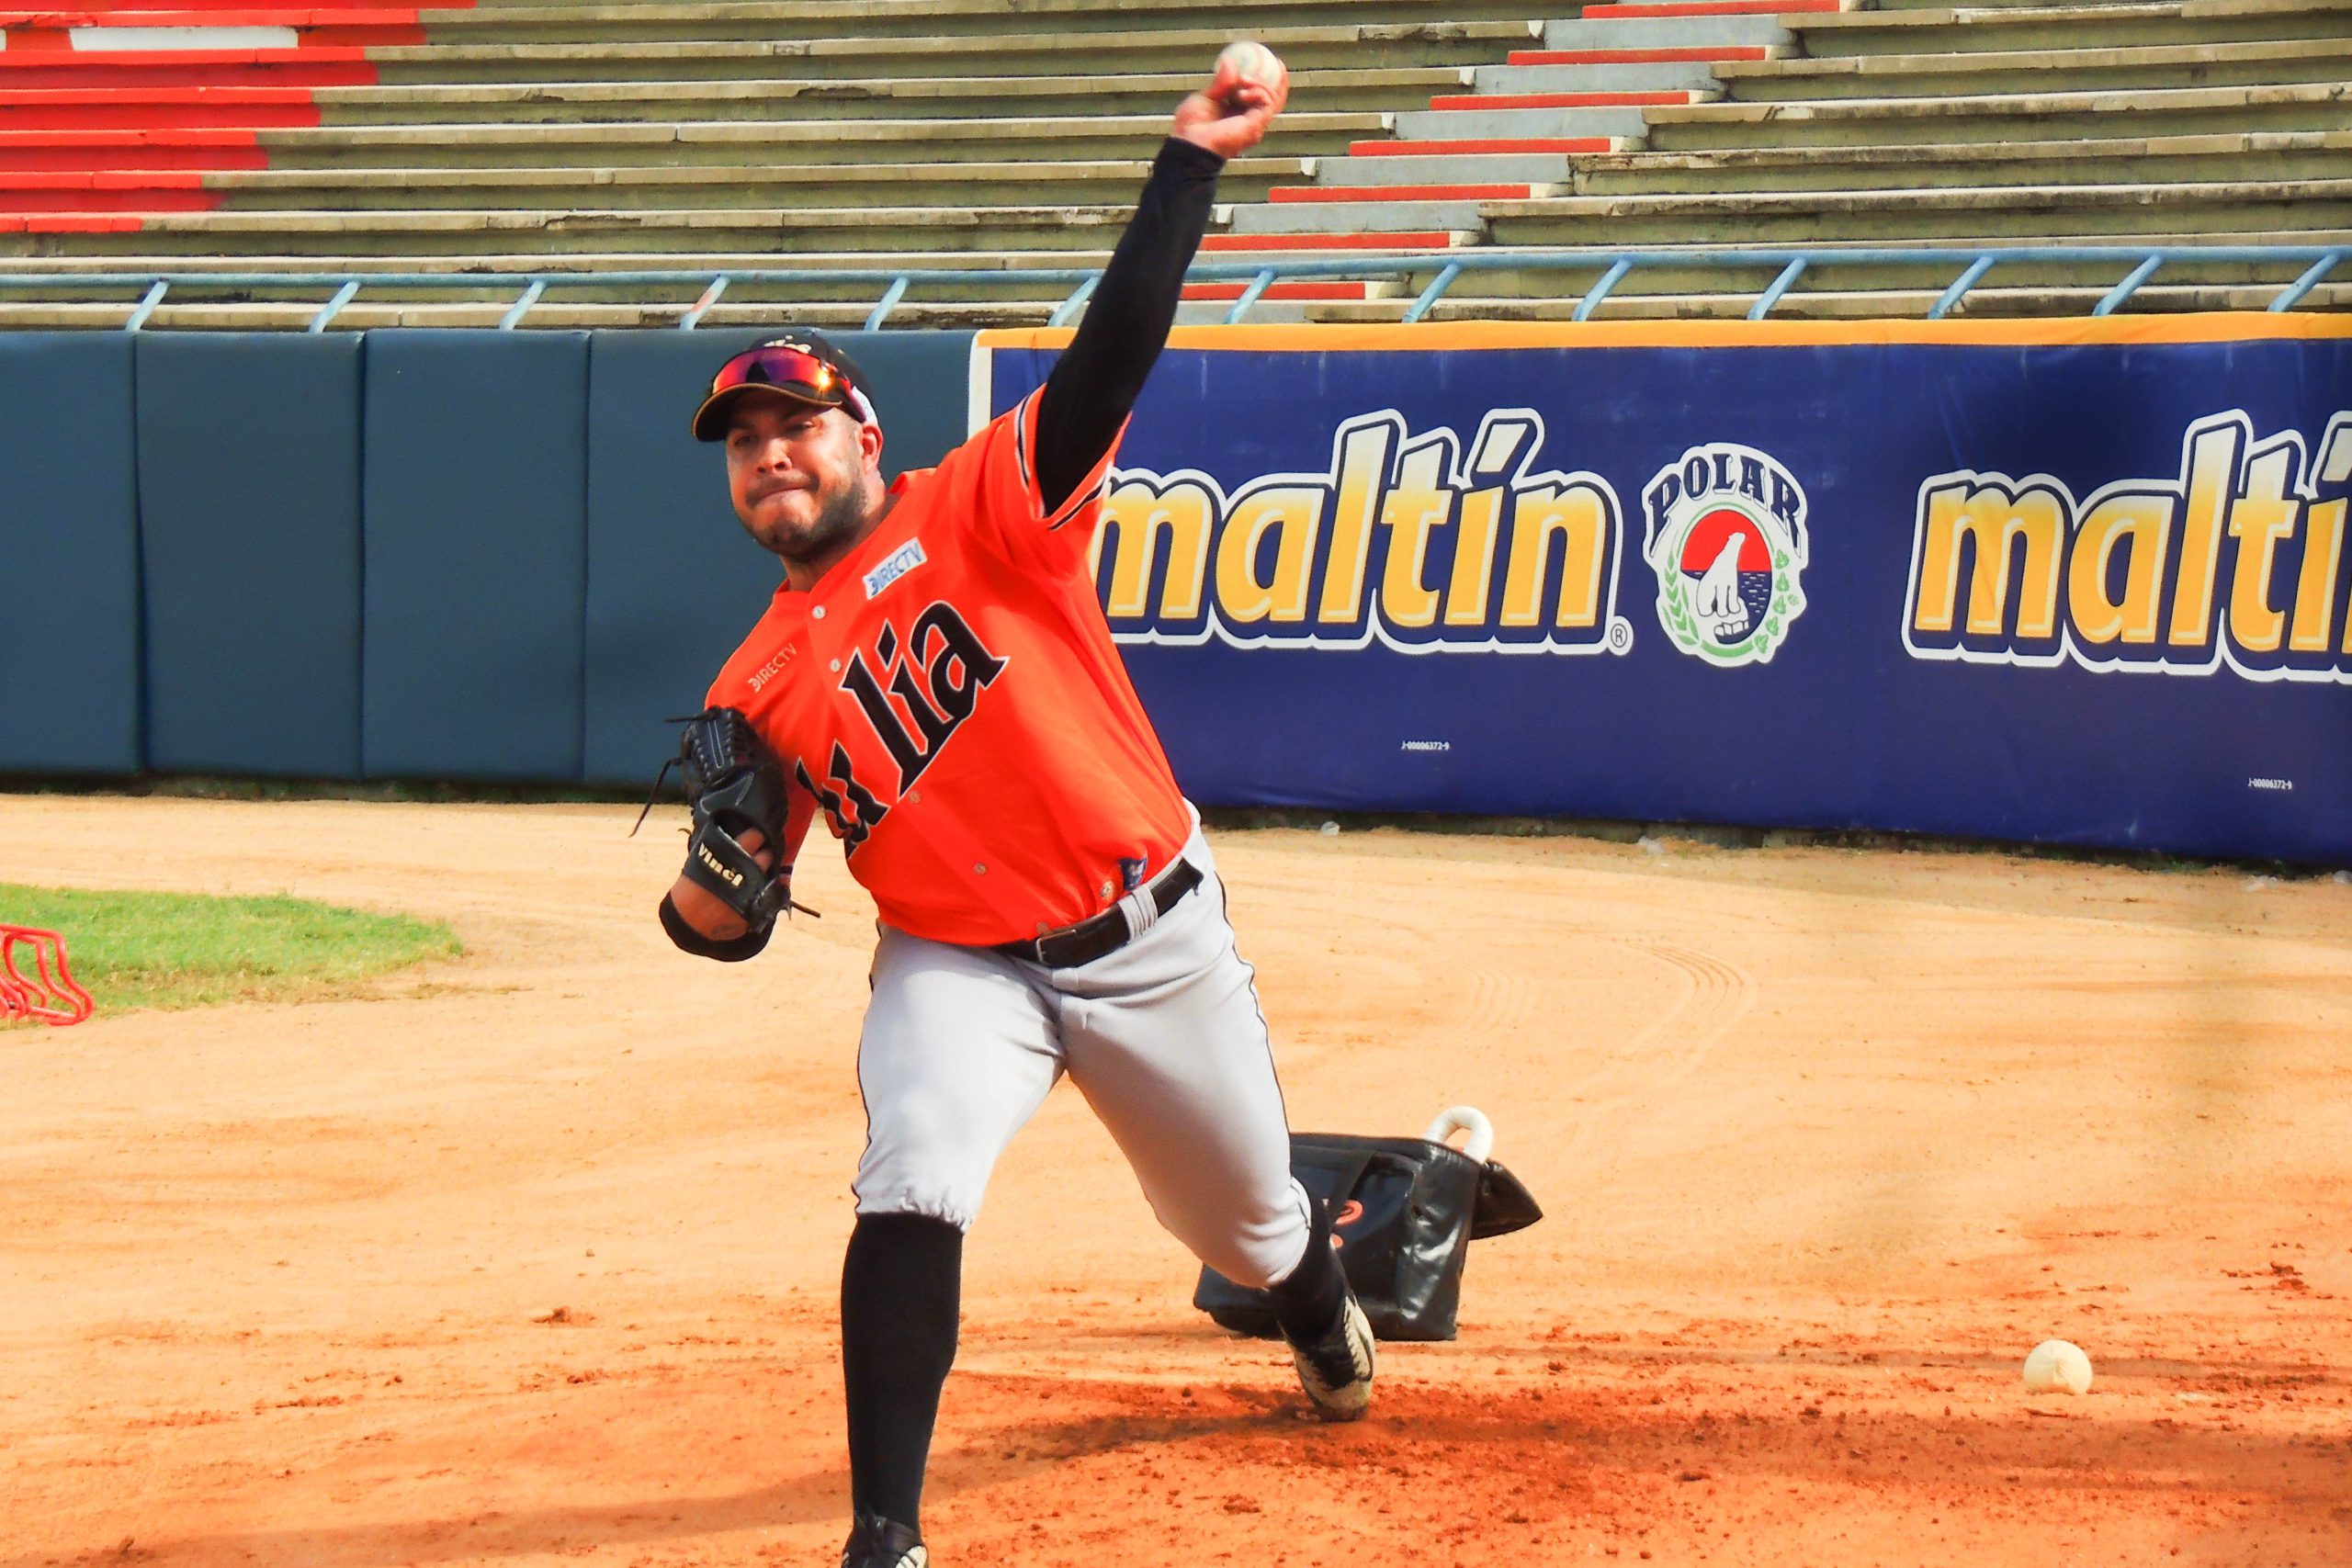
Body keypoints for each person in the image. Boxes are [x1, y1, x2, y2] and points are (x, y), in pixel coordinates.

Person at [658, 53, 1371, 1568]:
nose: (767, 449)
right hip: (957, 960)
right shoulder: (758, 681)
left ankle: (1316, 1305)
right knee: (912, 1162)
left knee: (1242, 1225)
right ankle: (884, 1536)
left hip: (1147, 936)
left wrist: (1187, 167)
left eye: (793, 420)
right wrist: (701, 903)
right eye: (741, 437)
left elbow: (1108, 362)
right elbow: (725, 916)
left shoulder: (979, 503)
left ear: (860, 433)